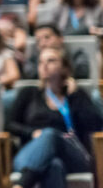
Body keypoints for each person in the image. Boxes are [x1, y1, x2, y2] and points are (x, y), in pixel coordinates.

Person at [8, 48, 102, 188]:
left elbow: (95, 124)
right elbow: (9, 125)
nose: (44, 65)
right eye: (41, 62)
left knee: (50, 134)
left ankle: (22, 185)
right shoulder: (28, 94)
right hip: (31, 152)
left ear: (64, 67)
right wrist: (32, 133)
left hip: (73, 154)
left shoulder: (76, 95)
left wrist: (75, 95)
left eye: (51, 60)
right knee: (54, 165)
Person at [22, 24, 90, 80]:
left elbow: (82, 72)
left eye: (47, 37)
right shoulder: (33, 60)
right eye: (38, 41)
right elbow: (29, 75)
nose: (42, 43)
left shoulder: (76, 55)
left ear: (60, 38)